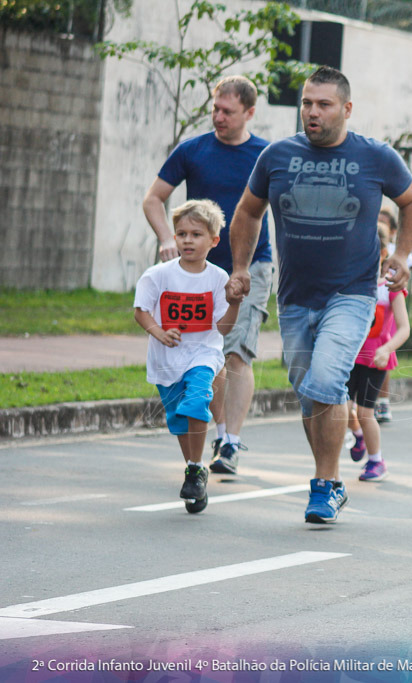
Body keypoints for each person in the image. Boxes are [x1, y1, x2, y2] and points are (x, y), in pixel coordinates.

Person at [228, 66, 412, 524]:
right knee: (309, 391)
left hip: (352, 294)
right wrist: (240, 267)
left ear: (346, 109)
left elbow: (411, 202)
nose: (312, 113)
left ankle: (324, 486)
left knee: (325, 382)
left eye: (323, 104)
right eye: (306, 103)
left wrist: (402, 255)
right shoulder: (277, 156)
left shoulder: (376, 157)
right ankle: (331, 482)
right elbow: (246, 212)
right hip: (294, 296)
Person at [141, 75, 273, 476]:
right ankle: (216, 433)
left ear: (249, 113)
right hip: (199, 271)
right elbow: (153, 199)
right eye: (215, 108)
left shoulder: (265, 155)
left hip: (252, 264)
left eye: (227, 111)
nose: (218, 116)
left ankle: (230, 443)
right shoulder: (193, 150)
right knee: (208, 352)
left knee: (236, 350)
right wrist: (168, 237)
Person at [133, 200, 243, 513]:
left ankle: (195, 469)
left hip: (203, 355)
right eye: (181, 233)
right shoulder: (157, 276)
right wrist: (158, 331)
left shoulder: (218, 279)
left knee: (197, 402)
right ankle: (195, 470)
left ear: (213, 240)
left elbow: (222, 328)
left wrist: (234, 303)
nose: (187, 240)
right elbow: (141, 311)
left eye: (196, 234)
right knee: (180, 421)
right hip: (167, 361)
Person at [345, 222, 411, 482]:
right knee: (341, 407)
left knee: (364, 412)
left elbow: (404, 329)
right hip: (350, 355)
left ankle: (376, 461)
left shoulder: (390, 288)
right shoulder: (350, 283)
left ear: (383, 253)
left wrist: (386, 348)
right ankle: (359, 436)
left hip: (375, 359)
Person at [373, 205, 412, 423]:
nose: (380, 224)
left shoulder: (398, 254)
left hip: (384, 322)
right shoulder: (368, 246)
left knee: (383, 360)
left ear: (394, 230)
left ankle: (382, 402)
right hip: (366, 325)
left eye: (385, 222)